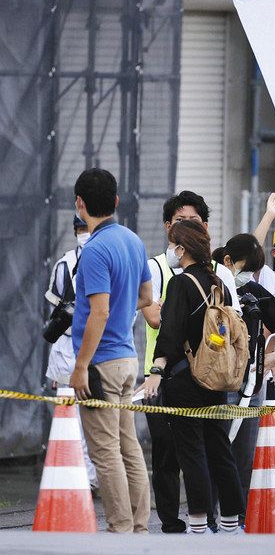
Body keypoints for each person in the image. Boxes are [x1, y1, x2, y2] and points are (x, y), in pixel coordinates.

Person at [140, 190, 239, 533]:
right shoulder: (217, 283)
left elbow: (169, 332)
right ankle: (229, 519)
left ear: (182, 249)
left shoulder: (182, 283)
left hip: (184, 378)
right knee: (219, 448)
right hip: (216, 379)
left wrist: (157, 369)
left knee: (191, 450)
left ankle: (197, 519)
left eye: (176, 246)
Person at [69, 168, 152, 533]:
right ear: (116, 202)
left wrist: (80, 366)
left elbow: (98, 312)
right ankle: (139, 525)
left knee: (105, 451)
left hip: (100, 362)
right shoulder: (133, 241)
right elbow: (148, 298)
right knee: (128, 446)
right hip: (127, 358)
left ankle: (120, 528)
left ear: (80, 204)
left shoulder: (94, 250)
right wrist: (122, 308)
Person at [213, 233, 275, 509]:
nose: (249, 276)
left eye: (254, 271)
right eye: (246, 269)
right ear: (229, 261)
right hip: (217, 384)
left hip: (252, 385)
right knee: (218, 452)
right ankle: (211, 515)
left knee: (244, 455)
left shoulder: (252, 292)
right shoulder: (209, 288)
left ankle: (240, 514)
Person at [44, 215, 97, 489]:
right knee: (70, 417)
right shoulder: (65, 263)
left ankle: (93, 476)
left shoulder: (105, 258)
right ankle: (81, 478)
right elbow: (56, 311)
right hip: (67, 347)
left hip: (99, 344)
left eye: (86, 228)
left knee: (96, 415)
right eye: (79, 229)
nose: (83, 233)